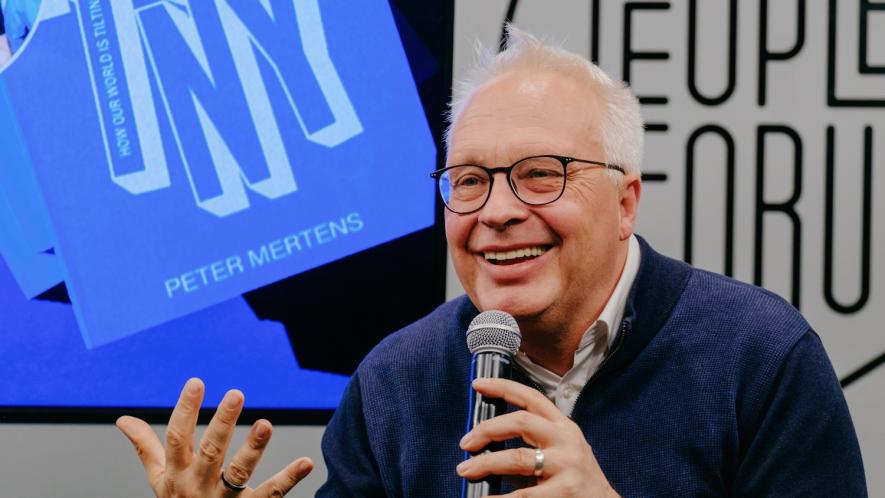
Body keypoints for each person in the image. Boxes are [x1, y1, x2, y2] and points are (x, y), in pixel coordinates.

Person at [117, 26, 867, 497]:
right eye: (468, 181)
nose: (497, 211)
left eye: (540, 173)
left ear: (625, 202)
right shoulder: (394, 382)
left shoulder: (757, 358)